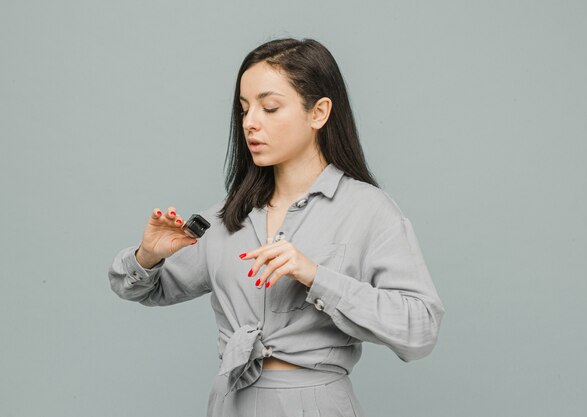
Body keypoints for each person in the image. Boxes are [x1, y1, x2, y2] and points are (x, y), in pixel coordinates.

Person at [108, 37, 445, 417]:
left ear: (318, 113)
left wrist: (315, 276)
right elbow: (141, 289)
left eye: (269, 108)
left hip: (316, 403)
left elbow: (420, 330)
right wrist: (148, 257)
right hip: (231, 402)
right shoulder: (228, 214)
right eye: (244, 108)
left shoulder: (369, 210)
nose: (250, 123)